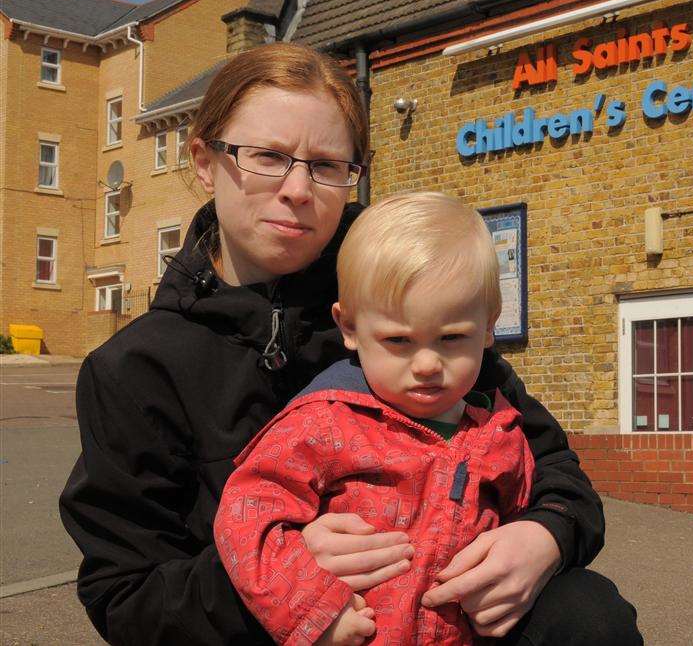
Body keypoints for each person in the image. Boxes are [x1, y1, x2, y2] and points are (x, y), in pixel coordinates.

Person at [59, 42, 641, 646]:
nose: (297, 189)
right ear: (205, 161)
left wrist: (545, 536)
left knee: (587, 616)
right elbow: (126, 598)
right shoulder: (134, 371)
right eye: (267, 157)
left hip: (449, 623)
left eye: (326, 164)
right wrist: (278, 578)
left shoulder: (405, 298)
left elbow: (551, 467)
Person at [216, 192, 538, 646]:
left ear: (489, 326)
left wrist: (537, 542)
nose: (427, 363)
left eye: (451, 338)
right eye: (399, 341)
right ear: (348, 328)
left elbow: (526, 512)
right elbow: (247, 517)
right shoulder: (323, 423)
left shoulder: (500, 431)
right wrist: (314, 610)